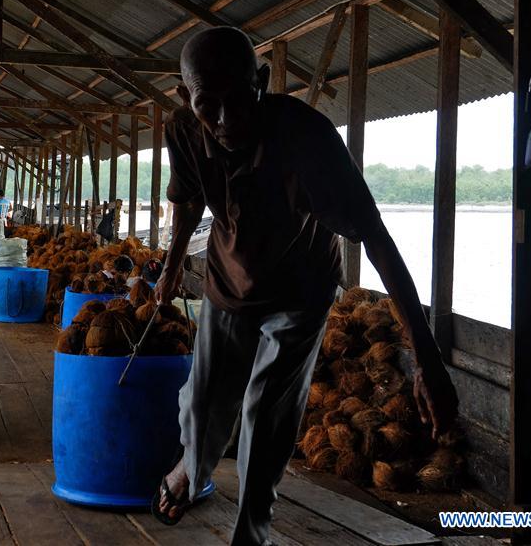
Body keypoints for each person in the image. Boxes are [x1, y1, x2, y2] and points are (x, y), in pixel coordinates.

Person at [151, 27, 459, 545]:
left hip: (298, 290)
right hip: (228, 284)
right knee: (200, 408)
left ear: (264, 82)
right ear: (186, 97)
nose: (225, 121)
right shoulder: (184, 130)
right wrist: (169, 267)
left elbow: (378, 241)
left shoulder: (307, 141)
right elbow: (188, 204)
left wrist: (427, 361)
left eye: (239, 100)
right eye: (208, 104)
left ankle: (251, 536)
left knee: (264, 414)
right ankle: (189, 467)